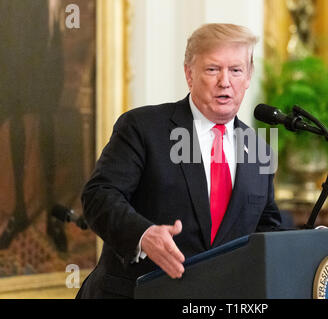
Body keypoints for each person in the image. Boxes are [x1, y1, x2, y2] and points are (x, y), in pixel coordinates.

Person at [76, 23, 282, 298]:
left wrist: (311, 244)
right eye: (212, 69)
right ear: (189, 74)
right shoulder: (142, 127)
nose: (225, 81)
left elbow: (266, 227)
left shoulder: (260, 149)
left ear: (248, 76)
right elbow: (99, 195)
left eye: (236, 70)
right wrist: (143, 235)